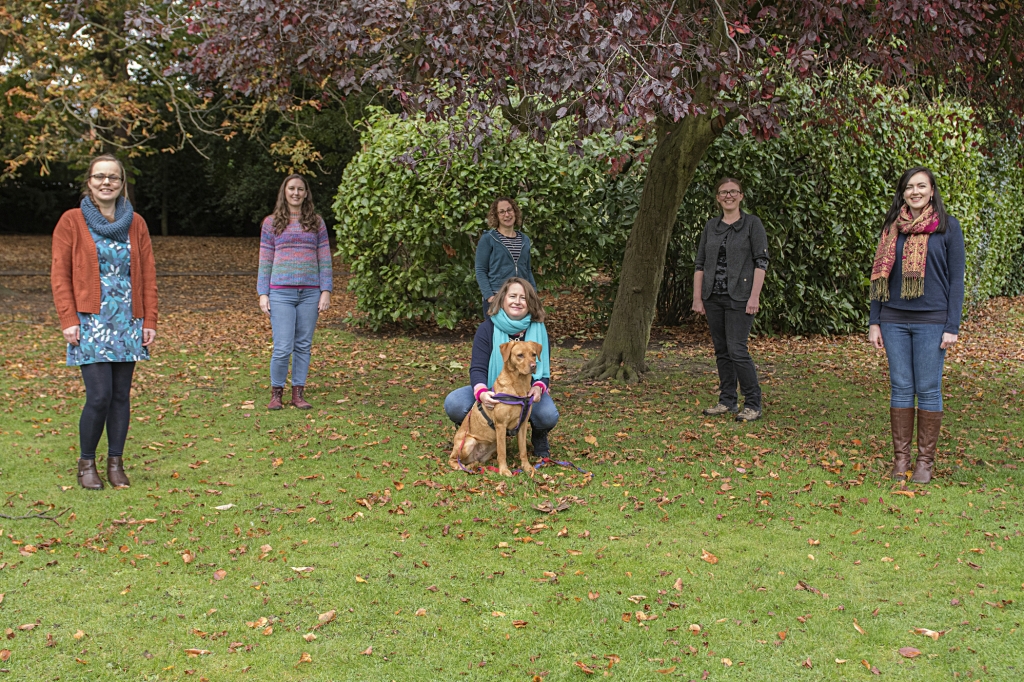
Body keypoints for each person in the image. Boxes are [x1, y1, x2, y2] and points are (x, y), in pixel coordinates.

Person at [51, 154, 157, 490]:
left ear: (122, 182)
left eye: (113, 177)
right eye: (100, 177)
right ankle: (86, 463)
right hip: (89, 321)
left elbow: (149, 275)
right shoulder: (71, 221)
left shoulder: (135, 223)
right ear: (90, 182)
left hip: (127, 320)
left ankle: (115, 463)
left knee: (121, 396)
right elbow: (60, 275)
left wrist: (149, 319)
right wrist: (68, 318)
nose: (106, 182)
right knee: (99, 395)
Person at [869, 167, 964, 484]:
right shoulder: (891, 227)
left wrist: (952, 325)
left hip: (932, 321)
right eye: (909, 187)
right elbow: (879, 278)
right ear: (903, 192)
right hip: (893, 319)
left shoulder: (948, 228)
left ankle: (925, 462)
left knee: (928, 389)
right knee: (901, 387)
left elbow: (956, 280)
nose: (915, 192)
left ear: (932, 190)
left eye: (921, 186)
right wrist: (874, 322)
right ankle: (901, 460)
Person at [444, 277, 558, 461]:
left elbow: (543, 372)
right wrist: (481, 392)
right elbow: (478, 369)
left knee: (547, 414)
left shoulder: (539, 329)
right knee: (455, 402)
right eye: (513, 296)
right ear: (502, 299)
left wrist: (539, 387)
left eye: (523, 297)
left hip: (525, 392)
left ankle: (539, 436)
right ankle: (475, 430)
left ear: (530, 302)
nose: (518, 301)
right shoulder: (487, 329)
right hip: (493, 389)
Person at [691, 178, 769, 423]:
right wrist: (698, 298)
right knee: (722, 351)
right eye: (723, 192)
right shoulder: (711, 226)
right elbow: (700, 263)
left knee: (737, 350)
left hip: (741, 297)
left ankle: (753, 403)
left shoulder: (752, 224)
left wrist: (754, 296)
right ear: (717, 198)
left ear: (741, 196)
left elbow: (761, 262)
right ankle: (727, 401)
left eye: (733, 192)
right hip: (713, 296)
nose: (728, 196)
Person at [257, 174, 333, 410]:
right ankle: (276, 393)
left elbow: (325, 258)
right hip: (280, 293)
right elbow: (265, 259)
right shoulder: (271, 223)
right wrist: (263, 293)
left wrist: (326, 290)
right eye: (291, 188)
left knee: (302, 345)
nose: (296, 193)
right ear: (285, 192)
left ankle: (298, 393)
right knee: (282, 346)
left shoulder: (317, 223)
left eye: (300, 189)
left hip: (310, 293)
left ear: (306, 193)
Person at [475, 197, 537, 318]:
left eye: (510, 210)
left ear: (515, 212)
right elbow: (480, 270)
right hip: (497, 297)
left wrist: (533, 293)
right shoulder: (488, 239)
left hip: (521, 300)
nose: (507, 214)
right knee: (496, 336)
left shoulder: (524, 239)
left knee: (520, 336)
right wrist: (490, 297)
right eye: (502, 212)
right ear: (496, 216)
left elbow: (528, 269)